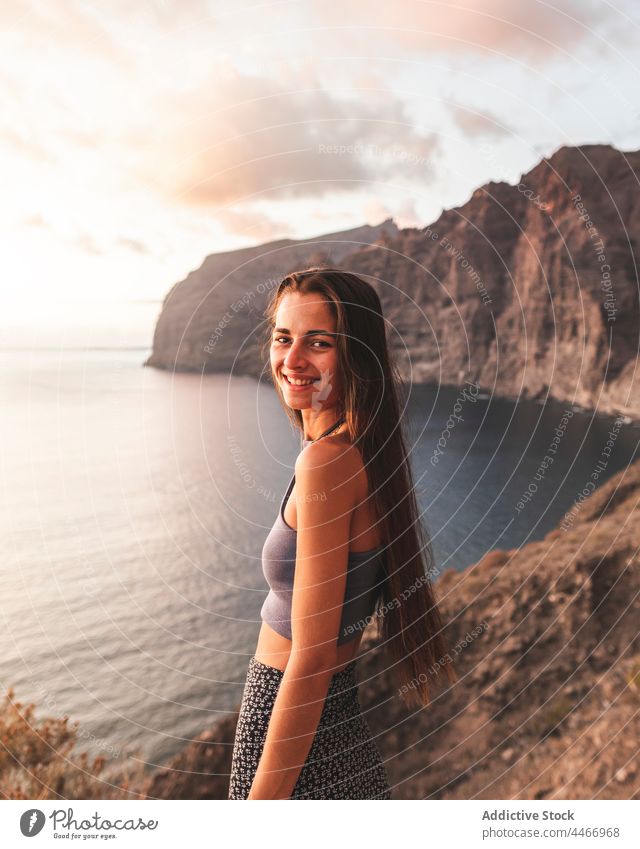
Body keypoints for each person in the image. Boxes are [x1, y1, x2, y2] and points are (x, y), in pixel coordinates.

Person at [228, 267, 457, 800]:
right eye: (283, 338)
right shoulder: (364, 451)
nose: (292, 360)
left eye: (318, 343)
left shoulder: (328, 463)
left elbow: (310, 658)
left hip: (292, 720)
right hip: (331, 724)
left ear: (355, 355)